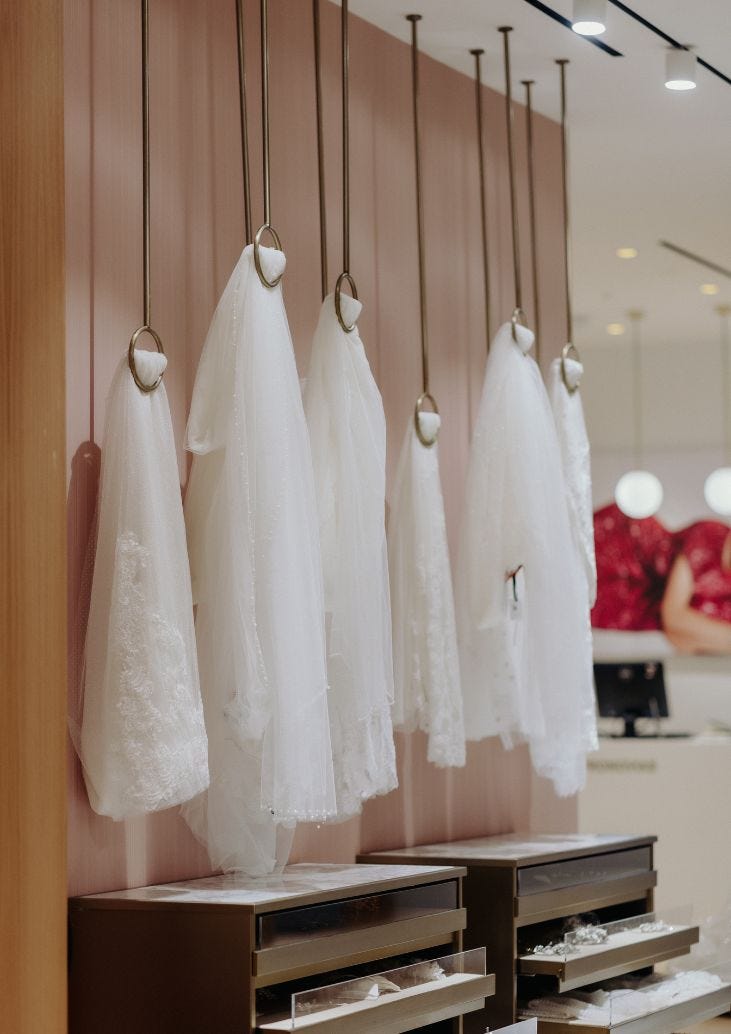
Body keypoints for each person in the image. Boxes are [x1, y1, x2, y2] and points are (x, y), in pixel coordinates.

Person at [592, 503, 731, 654]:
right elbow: (673, 618)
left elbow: (681, 639)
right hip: (620, 547)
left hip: (623, 610)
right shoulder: (712, 535)